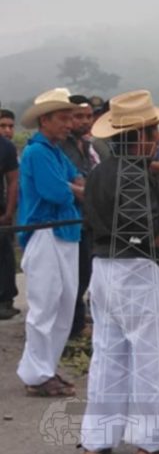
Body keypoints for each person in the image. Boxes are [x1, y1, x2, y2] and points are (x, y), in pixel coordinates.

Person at [78, 90, 159, 454]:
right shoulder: (140, 177)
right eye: (153, 133)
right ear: (139, 134)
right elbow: (149, 236)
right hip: (136, 271)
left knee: (107, 354)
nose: (157, 141)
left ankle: (96, 440)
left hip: (102, 270)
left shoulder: (98, 174)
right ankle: (149, 443)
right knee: (146, 355)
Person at [15, 88, 84, 398]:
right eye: (63, 118)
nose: (69, 124)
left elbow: (77, 180)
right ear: (45, 120)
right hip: (45, 232)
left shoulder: (56, 151)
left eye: (70, 118)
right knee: (45, 305)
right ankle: (35, 373)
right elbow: (57, 192)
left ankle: (46, 366)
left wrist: (73, 187)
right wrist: (75, 189)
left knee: (64, 304)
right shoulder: (36, 152)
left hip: (66, 231)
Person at [61, 95, 99, 339]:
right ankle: (73, 326)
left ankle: (76, 314)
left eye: (88, 116)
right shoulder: (61, 147)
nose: (85, 121)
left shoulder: (86, 145)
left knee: (85, 270)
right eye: (78, 117)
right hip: (69, 218)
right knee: (73, 273)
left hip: (87, 217)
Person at [0, 130, 19, 320]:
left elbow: (13, 180)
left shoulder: (5, 146)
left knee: (4, 256)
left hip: (0, 215)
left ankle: (5, 301)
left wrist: (9, 212)